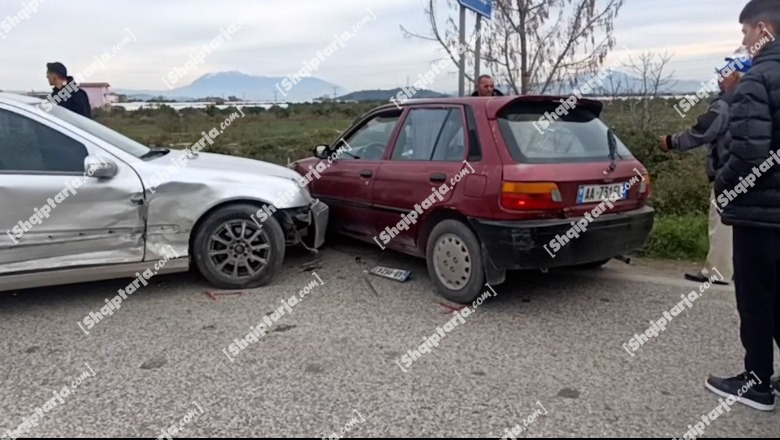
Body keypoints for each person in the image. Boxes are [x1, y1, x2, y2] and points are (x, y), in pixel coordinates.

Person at [707, 0, 780, 412]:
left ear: (763, 29)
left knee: (755, 299)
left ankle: (756, 383)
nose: (744, 41)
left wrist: (724, 183)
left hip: (760, 215)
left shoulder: (757, 80)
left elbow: (750, 152)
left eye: (745, 32)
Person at [658, 52, 752, 285]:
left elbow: (703, 131)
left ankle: (717, 271)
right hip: (753, 170)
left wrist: (672, 141)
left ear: (737, 77)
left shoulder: (724, 104)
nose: (720, 78)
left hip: (728, 171)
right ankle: (738, 268)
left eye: (724, 73)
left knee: (721, 222)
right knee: (744, 224)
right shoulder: (755, 100)